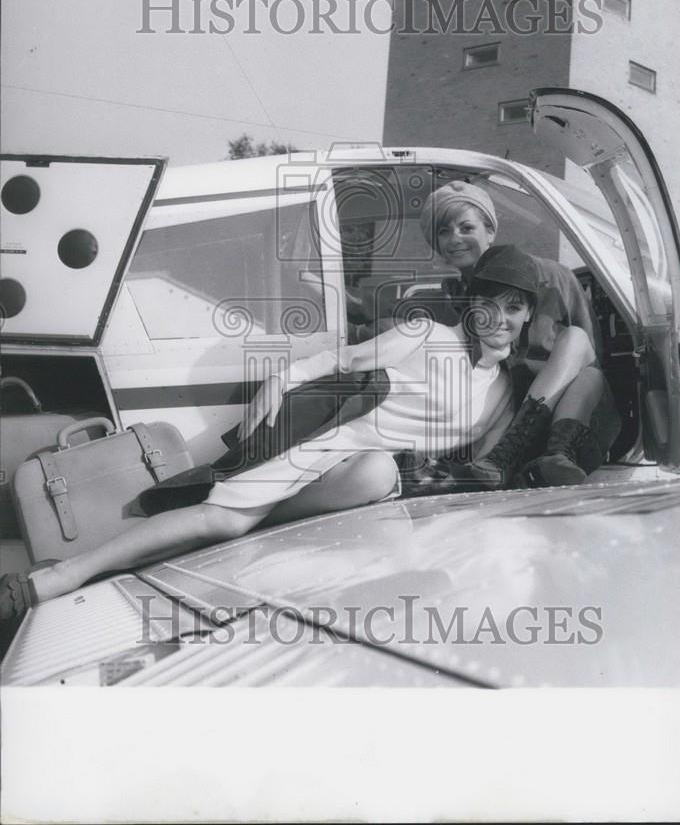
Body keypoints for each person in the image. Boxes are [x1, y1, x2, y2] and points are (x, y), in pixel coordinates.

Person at [0, 246, 537, 619]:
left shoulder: (502, 387)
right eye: (491, 302)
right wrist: (278, 382)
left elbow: (480, 457)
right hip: (331, 446)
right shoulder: (426, 334)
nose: (501, 319)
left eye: (515, 308)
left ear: (529, 316)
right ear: (470, 300)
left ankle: (143, 570)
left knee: (359, 500)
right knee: (224, 521)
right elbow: (336, 361)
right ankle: (63, 577)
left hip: (375, 484)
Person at [418, 180, 621, 490]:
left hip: (572, 418)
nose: (454, 240)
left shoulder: (553, 277)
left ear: (490, 230)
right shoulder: (449, 301)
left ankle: (547, 456)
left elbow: (593, 354)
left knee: (578, 343)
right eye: (443, 232)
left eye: (466, 228)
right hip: (498, 426)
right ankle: (504, 462)